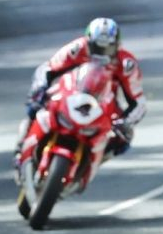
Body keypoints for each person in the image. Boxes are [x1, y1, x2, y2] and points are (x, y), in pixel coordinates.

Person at [15, 17, 145, 165]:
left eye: (107, 49)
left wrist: (126, 122)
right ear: (88, 41)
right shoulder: (77, 48)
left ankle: (91, 161)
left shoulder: (127, 64)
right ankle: (21, 147)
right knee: (36, 107)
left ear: (117, 45)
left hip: (104, 104)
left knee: (124, 139)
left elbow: (138, 101)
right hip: (70, 92)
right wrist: (39, 88)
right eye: (97, 48)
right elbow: (47, 68)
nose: (101, 54)